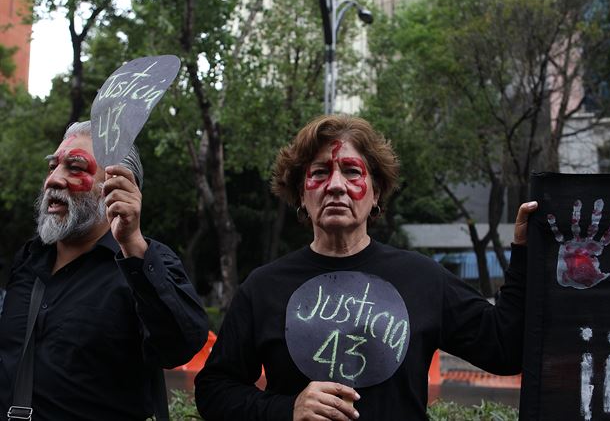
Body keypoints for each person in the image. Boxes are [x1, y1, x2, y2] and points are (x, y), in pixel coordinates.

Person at [194, 114, 537, 421]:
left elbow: (505, 351)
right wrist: (287, 409)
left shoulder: (422, 279)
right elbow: (214, 390)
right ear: (301, 194)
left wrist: (523, 253)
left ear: (376, 193)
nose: (336, 185)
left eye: (352, 171)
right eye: (319, 173)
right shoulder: (264, 287)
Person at [0, 121, 209, 420]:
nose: (53, 180)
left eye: (75, 167)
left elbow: (179, 346)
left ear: (117, 187)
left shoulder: (145, 261)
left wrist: (133, 244)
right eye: (53, 165)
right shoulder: (28, 260)